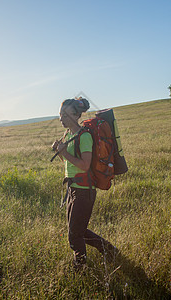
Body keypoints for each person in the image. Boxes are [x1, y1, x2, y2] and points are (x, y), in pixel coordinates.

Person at [52, 98, 118, 270]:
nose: (61, 118)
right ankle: (110, 251)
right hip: (72, 188)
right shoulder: (68, 135)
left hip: (84, 192)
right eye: (60, 114)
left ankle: (79, 267)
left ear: (76, 115)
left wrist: (64, 152)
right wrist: (60, 152)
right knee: (77, 231)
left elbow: (84, 165)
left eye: (65, 114)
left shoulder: (85, 136)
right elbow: (69, 164)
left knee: (74, 235)